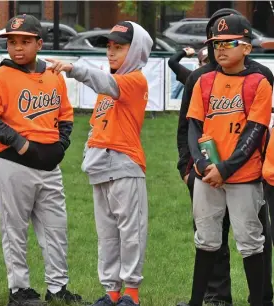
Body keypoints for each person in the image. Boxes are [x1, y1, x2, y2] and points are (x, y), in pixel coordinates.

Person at [0, 14, 83, 306]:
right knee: (15, 229)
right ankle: (19, 290)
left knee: (56, 228)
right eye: (12, 42)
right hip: (12, 164)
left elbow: (66, 115)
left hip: (49, 164)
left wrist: (61, 144)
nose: (18, 48)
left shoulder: (53, 75)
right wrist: (21, 145)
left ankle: (58, 288)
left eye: (25, 41)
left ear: (39, 43)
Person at [47, 20, 152, 306]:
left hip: (125, 165)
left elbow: (104, 81)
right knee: (107, 236)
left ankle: (131, 292)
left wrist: (72, 68)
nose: (111, 52)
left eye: (119, 47)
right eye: (109, 47)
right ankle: (111, 291)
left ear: (135, 51)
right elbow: (97, 125)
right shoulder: (113, 86)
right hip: (100, 168)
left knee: (130, 233)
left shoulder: (133, 80)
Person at [176, 9, 274, 306]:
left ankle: (259, 301)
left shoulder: (259, 81)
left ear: (246, 46)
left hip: (243, 177)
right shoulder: (204, 80)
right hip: (208, 175)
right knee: (206, 240)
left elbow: (254, 132)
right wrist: (203, 165)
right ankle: (198, 302)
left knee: (250, 242)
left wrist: (226, 169)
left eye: (228, 43)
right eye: (217, 43)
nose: (220, 48)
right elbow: (193, 126)